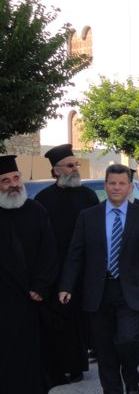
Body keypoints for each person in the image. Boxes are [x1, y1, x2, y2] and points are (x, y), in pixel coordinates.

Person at [58, 163, 139, 394]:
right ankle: (111, 390)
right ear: (105, 186)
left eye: (121, 183)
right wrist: (66, 286)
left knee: (128, 341)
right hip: (98, 292)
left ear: (130, 187)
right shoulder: (88, 217)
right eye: (112, 183)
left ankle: (131, 377)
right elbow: (75, 254)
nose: (116, 188)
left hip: (131, 291)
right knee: (104, 349)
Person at [35, 144, 100, 386]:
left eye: (76, 165)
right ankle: (69, 366)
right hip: (58, 270)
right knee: (64, 320)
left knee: (87, 318)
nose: (75, 169)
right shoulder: (43, 199)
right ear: (56, 171)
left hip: (87, 268)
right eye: (70, 165)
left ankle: (90, 355)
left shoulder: (88, 196)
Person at [0, 155, 57, 394]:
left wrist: (41, 286)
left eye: (16, 178)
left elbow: (49, 253)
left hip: (32, 301)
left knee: (33, 360)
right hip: (3, 303)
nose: (13, 184)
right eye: (6, 181)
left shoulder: (36, 211)